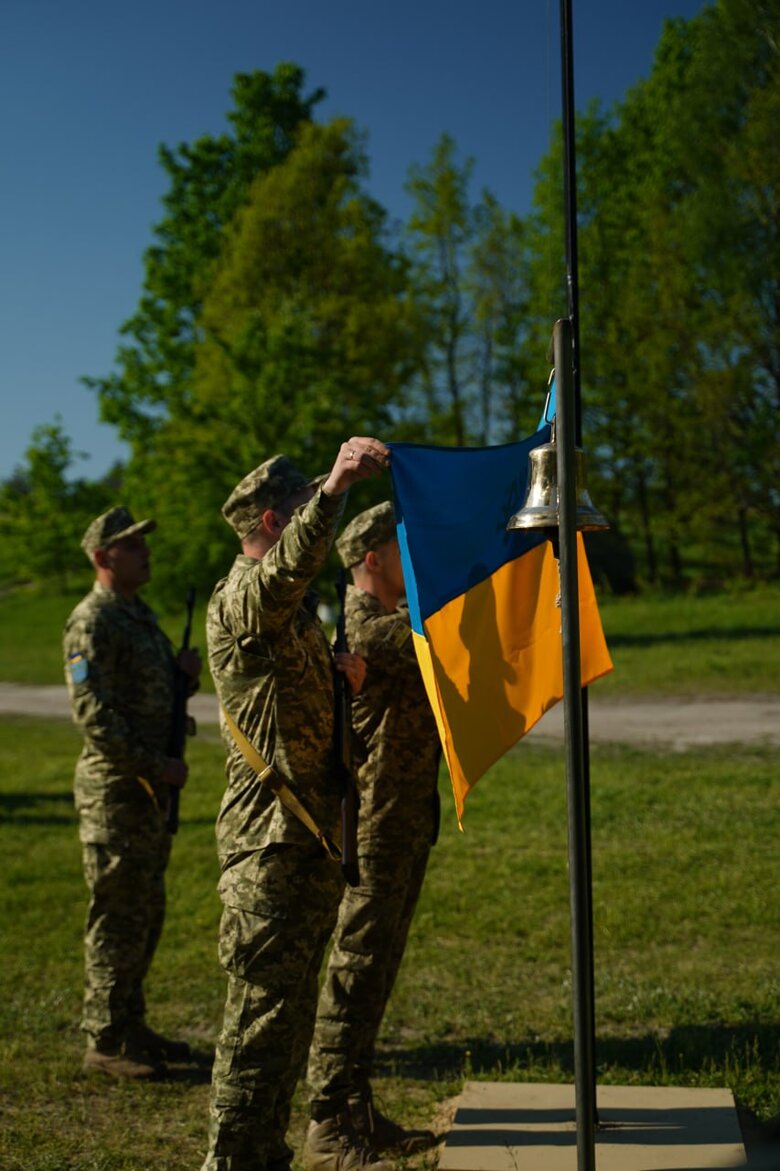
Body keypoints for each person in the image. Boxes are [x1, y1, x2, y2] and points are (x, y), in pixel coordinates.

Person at [201, 439, 394, 1171]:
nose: (320, 512)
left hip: (308, 840)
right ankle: (231, 1160)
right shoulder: (242, 597)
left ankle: (263, 1153)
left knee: (286, 1023)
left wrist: (342, 683)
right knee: (257, 1025)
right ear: (275, 520)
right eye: (308, 504)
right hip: (268, 847)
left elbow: (298, 717)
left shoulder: (290, 616)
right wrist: (337, 488)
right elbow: (280, 577)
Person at [304, 502, 441, 1167]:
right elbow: (441, 636)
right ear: (372, 558)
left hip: (404, 821)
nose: (410, 553)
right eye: (400, 544)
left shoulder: (391, 622)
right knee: (356, 967)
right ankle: (328, 1121)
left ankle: (355, 1106)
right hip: (374, 825)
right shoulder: (369, 629)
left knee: (377, 967)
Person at [63, 506, 201, 1079]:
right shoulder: (92, 620)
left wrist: (182, 679)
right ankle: (104, 1041)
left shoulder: (138, 616)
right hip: (116, 792)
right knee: (117, 914)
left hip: (147, 793)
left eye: (144, 542)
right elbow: (92, 714)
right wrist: (154, 765)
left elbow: (144, 697)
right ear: (103, 557)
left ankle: (130, 1023)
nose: (146, 552)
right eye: (133, 545)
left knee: (145, 911)